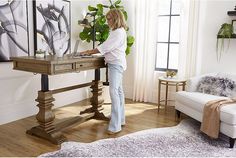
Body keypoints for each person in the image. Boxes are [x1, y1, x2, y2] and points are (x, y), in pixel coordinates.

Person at [80, 8, 127, 134]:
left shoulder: (118, 32)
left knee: (114, 92)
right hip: (118, 63)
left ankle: (115, 126)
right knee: (119, 92)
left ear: (116, 18)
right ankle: (120, 120)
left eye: (109, 19)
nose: (107, 21)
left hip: (115, 64)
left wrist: (88, 51)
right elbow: (108, 46)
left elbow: (106, 47)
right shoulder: (118, 31)